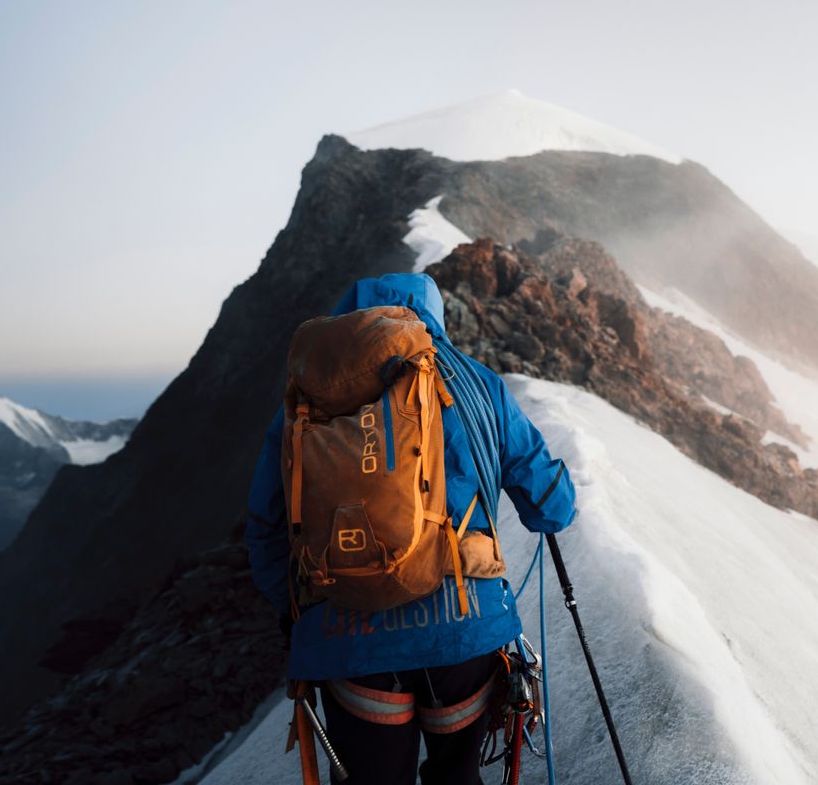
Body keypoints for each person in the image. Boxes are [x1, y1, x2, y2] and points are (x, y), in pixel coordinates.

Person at [244, 272, 576, 785]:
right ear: (435, 318)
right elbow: (551, 509)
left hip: (348, 638)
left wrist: (299, 613)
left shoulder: (307, 399)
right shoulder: (476, 382)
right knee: (457, 776)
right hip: (464, 629)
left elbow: (266, 530)